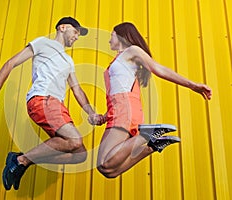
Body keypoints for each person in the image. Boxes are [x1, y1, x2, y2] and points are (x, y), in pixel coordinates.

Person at [0, 17, 104, 190]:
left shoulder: (68, 61)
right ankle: (21, 161)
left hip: (58, 106)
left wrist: (91, 113)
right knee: (75, 140)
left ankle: (22, 160)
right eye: (76, 31)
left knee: (80, 155)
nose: (77, 37)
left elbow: (77, 90)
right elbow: (11, 63)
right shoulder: (42, 43)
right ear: (62, 27)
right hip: (43, 99)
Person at [89, 22, 212, 178]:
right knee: (108, 171)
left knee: (105, 163)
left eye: (112, 35)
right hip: (119, 110)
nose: (109, 39)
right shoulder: (119, 60)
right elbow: (120, 91)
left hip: (124, 111)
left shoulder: (132, 51)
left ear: (122, 35)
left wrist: (192, 85)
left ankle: (147, 134)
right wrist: (104, 116)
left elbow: (158, 69)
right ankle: (152, 146)